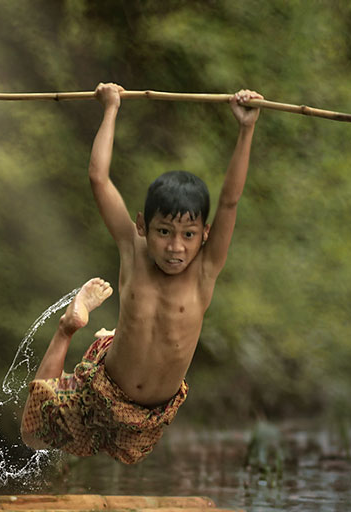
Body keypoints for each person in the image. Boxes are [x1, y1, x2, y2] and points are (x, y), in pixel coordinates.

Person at [20, 82, 262, 464]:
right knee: (34, 434)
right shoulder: (133, 252)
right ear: (142, 226)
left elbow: (230, 200)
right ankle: (68, 326)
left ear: (205, 235)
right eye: (164, 232)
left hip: (148, 416)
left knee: (116, 456)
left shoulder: (205, 270)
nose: (176, 247)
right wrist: (111, 107)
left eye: (188, 235)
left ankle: (97, 336)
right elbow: (99, 179)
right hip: (104, 390)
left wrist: (246, 128)